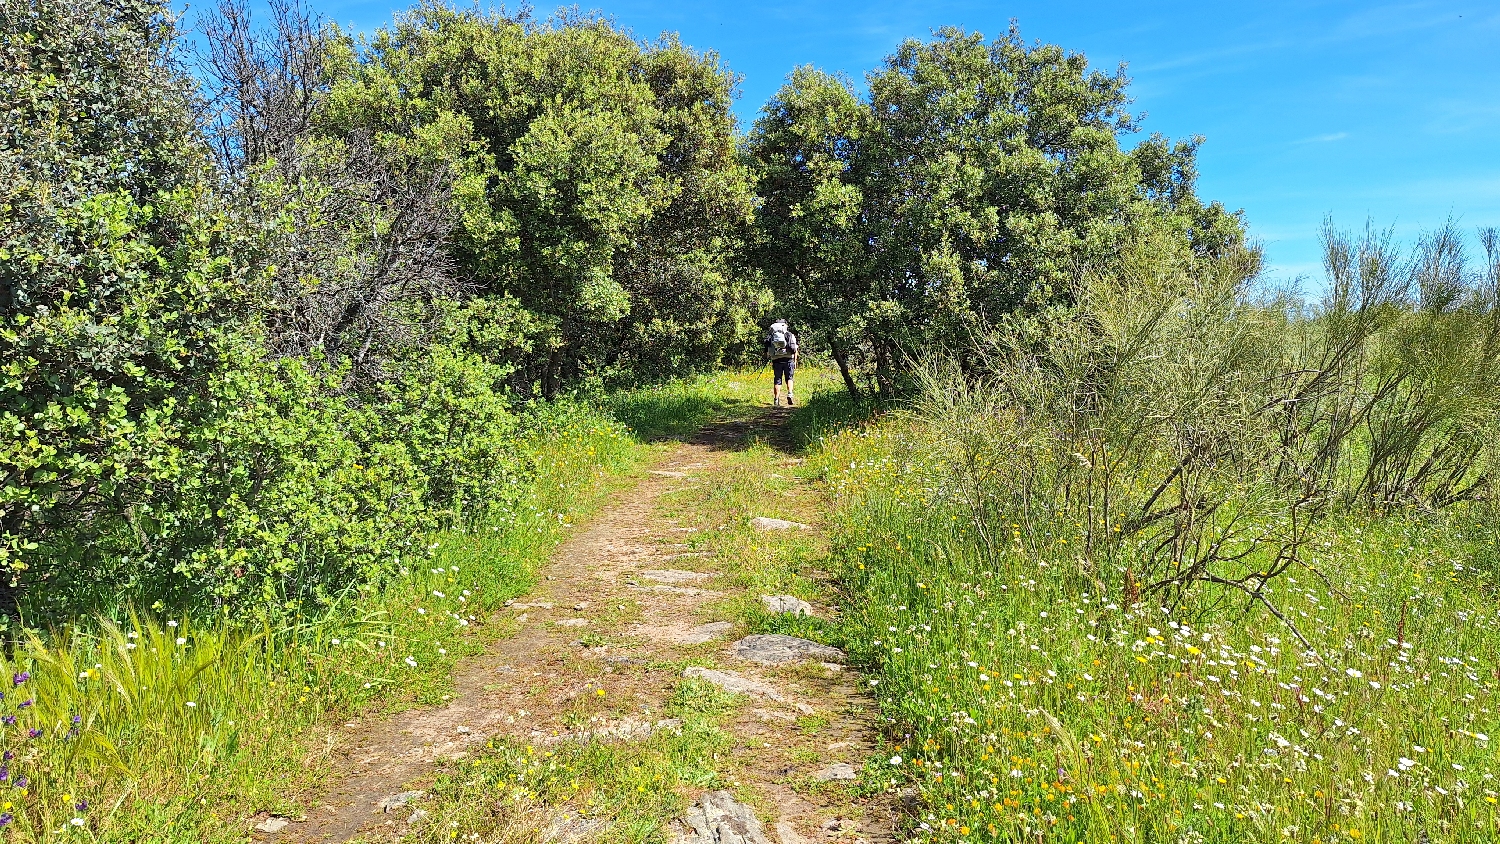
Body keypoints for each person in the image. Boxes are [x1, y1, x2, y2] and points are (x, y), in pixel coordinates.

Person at [765, 318, 799, 407]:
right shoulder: (789, 334)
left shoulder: (771, 336)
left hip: (776, 360)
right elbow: (795, 349)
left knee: (777, 379)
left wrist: (771, 357)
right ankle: (790, 394)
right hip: (788, 359)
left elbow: (767, 350)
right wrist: (795, 361)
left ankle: (776, 400)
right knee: (789, 378)